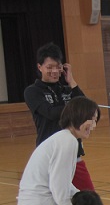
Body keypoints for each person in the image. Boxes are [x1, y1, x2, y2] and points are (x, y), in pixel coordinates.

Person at [24, 42, 94, 191]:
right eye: (49, 67)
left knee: (89, 200)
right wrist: (76, 109)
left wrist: (72, 81)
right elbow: (50, 113)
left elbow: (86, 109)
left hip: (74, 155)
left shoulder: (68, 90)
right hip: (51, 158)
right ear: (39, 67)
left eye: (58, 66)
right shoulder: (33, 92)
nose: (55, 71)